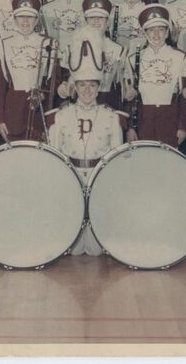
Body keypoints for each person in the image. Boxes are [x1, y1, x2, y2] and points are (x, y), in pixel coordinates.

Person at [46, 65, 124, 256]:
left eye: (91, 85)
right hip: (72, 175)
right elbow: (55, 155)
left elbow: (116, 157)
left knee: (98, 248)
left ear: (98, 88)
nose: (87, 91)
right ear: (75, 88)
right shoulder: (62, 115)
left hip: (98, 177)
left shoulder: (110, 117)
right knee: (71, 244)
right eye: (82, 86)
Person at [124, 4, 186, 148]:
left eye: (161, 30)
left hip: (169, 118)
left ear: (167, 33)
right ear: (144, 33)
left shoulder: (181, 57)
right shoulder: (132, 58)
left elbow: (184, 98)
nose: (156, 35)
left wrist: (183, 126)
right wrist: (130, 127)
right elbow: (131, 98)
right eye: (151, 30)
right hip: (144, 119)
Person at [0, 0, 56, 142]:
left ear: (37, 20)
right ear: (14, 19)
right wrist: (0, 119)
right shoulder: (3, 44)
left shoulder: (49, 43)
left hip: (39, 108)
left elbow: (54, 81)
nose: (25, 21)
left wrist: (44, 96)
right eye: (21, 17)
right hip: (13, 109)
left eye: (30, 17)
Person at [57, 0, 127, 110]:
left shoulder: (118, 50)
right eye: (91, 18)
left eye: (100, 18)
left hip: (106, 102)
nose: (96, 22)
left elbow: (120, 84)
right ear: (85, 21)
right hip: (78, 102)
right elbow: (65, 78)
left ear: (108, 22)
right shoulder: (72, 46)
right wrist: (64, 88)